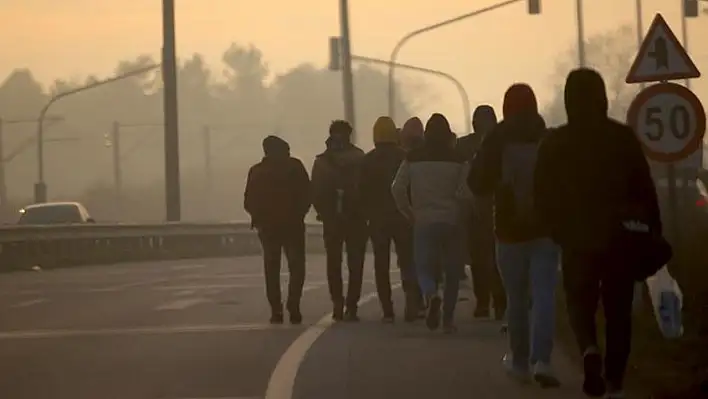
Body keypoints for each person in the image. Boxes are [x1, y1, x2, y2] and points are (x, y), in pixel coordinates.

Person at [533, 68, 662, 399]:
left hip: (576, 237)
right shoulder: (621, 138)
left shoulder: (555, 142)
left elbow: (541, 193)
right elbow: (645, 190)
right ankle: (615, 379)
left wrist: (553, 228)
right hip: (620, 237)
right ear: (602, 97)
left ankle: (589, 348)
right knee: (619, 308)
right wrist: (653, 233)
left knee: (579, 300)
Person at [468, 84, 560, 387]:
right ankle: (543, 360)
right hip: (546, 228)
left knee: (517, 298)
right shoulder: (547, 137)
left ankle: (519, 362)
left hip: (508, 230)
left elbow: (477, 182)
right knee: (544, 293)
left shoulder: (496, 138)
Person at [392, 113, 469, 333]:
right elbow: (466, 192)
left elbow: (396, 188)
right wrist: (461, 212)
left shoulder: (413, 157)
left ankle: (431, 294)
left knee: (423, 267)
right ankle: (448, 320)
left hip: (423, 220)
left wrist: (408, 211)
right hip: (452, 221)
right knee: (453, 271)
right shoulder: (459, 158)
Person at [244, 135, 311, 325]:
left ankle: (276, 310)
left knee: (271, 269)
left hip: (268, 228)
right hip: (293, 226)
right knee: (297, 267)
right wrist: (299, 214)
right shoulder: (295, 167)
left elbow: (248, 201)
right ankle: (294, 304)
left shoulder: (257, 171)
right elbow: (307, 193)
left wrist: (259, 217)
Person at [360, 116, 419, 323]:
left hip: (377, 220)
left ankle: (387, 309)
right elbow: (412, 188)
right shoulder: (405, 157)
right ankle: (412, 305)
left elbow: (361, 192)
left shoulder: (367, 160)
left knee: (381, 263)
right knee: (407, 261)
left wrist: (366, 215)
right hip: (403, 217)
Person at [311, 120, 368, 322]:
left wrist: (323, 212)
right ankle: (351, 305)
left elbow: (315, 191)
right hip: (356, 218)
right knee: (355, 264)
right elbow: (367, 188)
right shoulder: (360, 158)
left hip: (333, 219)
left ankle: (338, 303)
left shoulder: (322, 162)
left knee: (334, 263)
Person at [456, 105, 507, 319]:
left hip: (473, 208)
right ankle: (500, 302)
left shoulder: (463, 145)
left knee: (478, 258)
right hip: (499, 207)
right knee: (497, 258)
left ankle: (483, 303)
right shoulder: (502, 142)